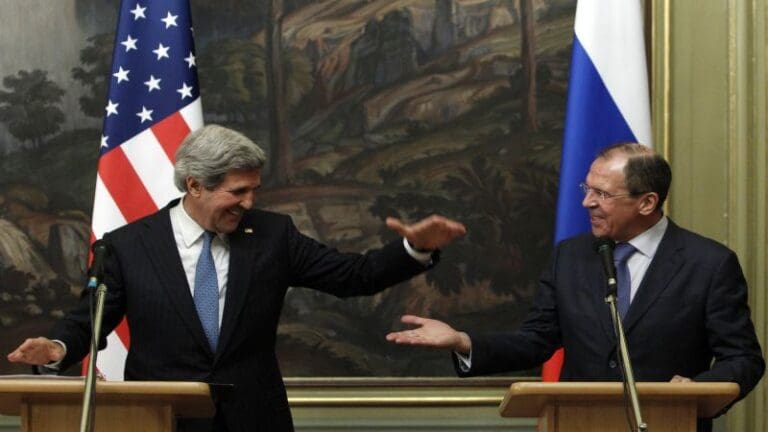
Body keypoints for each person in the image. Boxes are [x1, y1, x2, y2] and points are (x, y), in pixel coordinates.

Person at [7, 124, 466, 432]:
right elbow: (91, 318)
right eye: (238, 191)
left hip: (255, 419)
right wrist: (58, 348)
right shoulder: (126, 245)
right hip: (164, 420)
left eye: (254, 190)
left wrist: (415, 248)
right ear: (194, 185)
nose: (249, 202)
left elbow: (354, 276)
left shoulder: (273, 235)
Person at [386, 143, 764, 431]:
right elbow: (537, 339)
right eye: (588, 188)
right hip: (577, 423)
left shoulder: (708, 264)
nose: (587, 202)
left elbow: (743, 358)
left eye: (603, 194)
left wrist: (697, 390)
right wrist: (463, 342)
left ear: (647, 202)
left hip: (669, 424)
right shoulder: (570, 256)